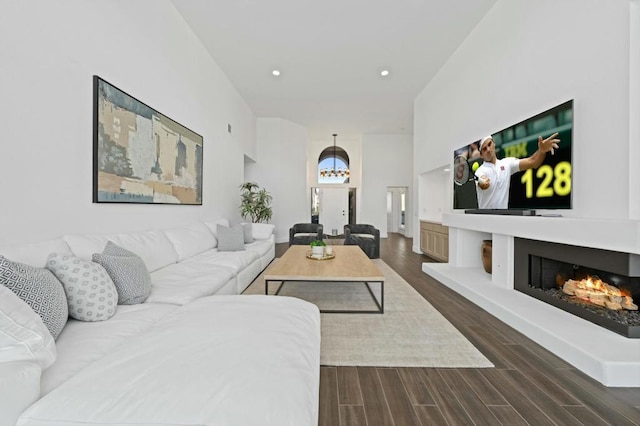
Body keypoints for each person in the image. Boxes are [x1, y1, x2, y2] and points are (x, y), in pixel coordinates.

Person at [474, 132, 559, 209]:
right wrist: (484, 182)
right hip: (485, 221)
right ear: (481, 155)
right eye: (484, 149)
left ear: (494, 143)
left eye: (489, 144)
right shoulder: (480, 171)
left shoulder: (507, 163)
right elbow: (482, 180)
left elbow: (533, 162)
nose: (488, 150)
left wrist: (542, 151)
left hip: (503, 220)